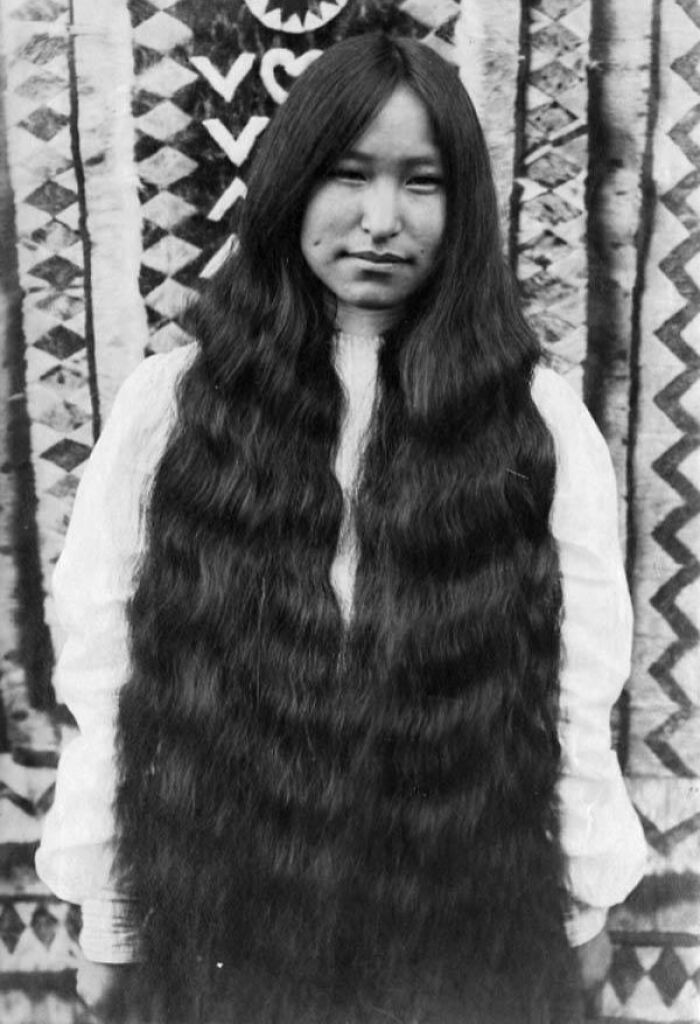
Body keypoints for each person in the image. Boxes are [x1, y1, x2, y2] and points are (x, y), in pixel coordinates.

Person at [36, 32, 647, 1024]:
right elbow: (105, 670)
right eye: (347, 174)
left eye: (422, 182)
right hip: (228, 908)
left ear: (467, 210)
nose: (379, 221)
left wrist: (580, 907)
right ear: (286, 187)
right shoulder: (170, 407)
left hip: (460, 914)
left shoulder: (535, 421)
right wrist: (111, 915)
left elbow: (574, 687)